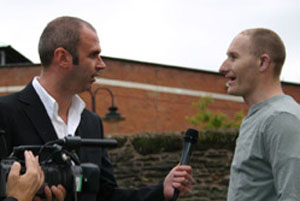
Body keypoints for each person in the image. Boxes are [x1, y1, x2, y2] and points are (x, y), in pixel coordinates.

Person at [0, 16, 193, 201]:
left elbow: (105, 196)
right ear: (63, 57)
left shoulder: (92, 122)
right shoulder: (5, 113)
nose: (102, 65)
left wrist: (161, 191)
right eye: (94, 55)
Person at [219, 28, 300, 201]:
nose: (222, 68)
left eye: (233, 57)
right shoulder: (261, 117)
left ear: (263, 63)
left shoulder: (281, 119)